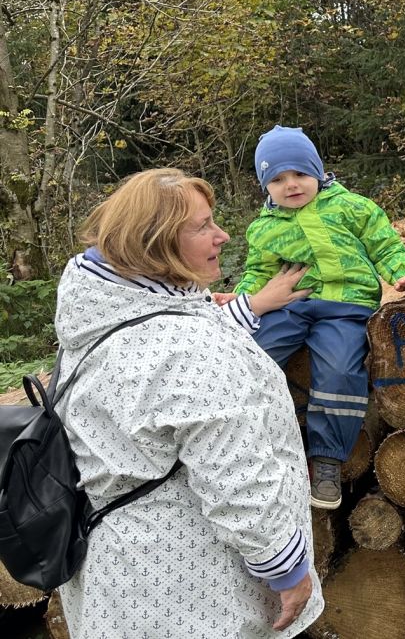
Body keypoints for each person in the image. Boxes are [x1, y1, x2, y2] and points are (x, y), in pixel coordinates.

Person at [54, 169, 323, 638]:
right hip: (189, 591)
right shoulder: (184, 346)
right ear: (152, 243)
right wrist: (286, 568)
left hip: (118, 578)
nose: (221, 235)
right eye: (202, 227)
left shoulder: (105, 312)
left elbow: (177, 367)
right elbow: (238, 481)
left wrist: (250, 307)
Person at [227, 125, 405, 509]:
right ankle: (239, 441)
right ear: (265, 186)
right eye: (278, 179)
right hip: (290, 306)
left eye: (300, 174)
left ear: (318, 171)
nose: (292, 185)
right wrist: (244, 298)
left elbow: (384, 244)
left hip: (345, 308)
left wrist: (400, 272)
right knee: (250, 354)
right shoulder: (265, 228)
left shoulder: (352, 207)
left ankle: (328, 460)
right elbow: (257, 271)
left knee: (339, 369)